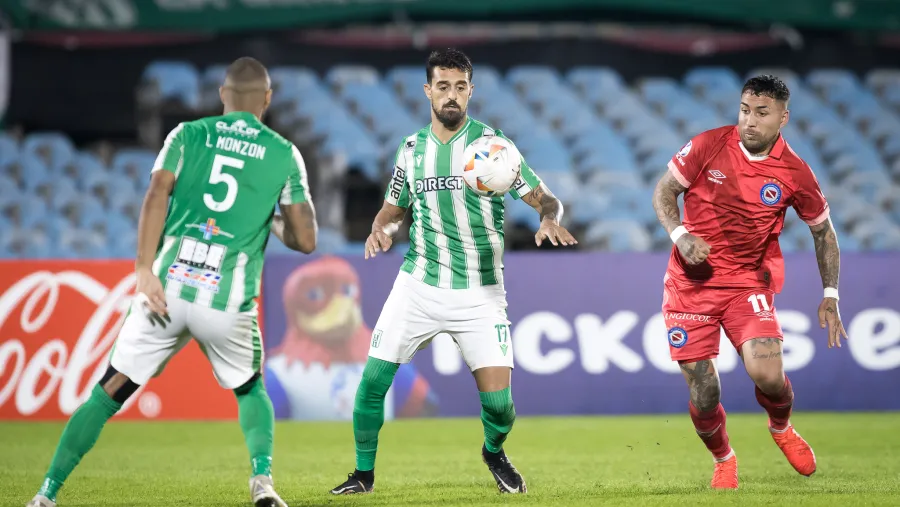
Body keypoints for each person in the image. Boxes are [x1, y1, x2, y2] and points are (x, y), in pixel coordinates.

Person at [27, 56, 317, 507]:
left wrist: (143, 268)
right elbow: (305, 239)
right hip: (225, 300)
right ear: (267, 100)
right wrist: (271, 219)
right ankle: (262, 483)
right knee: (249, 389)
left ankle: (46, 494)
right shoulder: (283, 153)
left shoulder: (186, 135)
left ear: (222, 95)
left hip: (166, 290)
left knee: (110, 391)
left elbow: (156, 192)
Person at [329, 48, 577, 496]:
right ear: (428, 90)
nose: (452, 96)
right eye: (443, 86)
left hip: (481, 293)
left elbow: (546, 198)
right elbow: (391, 209)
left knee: (502, 408)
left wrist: (548, 217)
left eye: (460, 87)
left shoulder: (495, 148)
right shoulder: (411, 149)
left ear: (470, 91)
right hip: (418, 284)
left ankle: (493, 451)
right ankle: (363, 475)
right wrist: (382, 230)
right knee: (371, 383)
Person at [651, 75, 848, 489]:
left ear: (783, 117)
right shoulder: (707, 145)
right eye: (745, 110)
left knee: (769, 376)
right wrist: (680, 235)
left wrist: (830, 294)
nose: (750, 121)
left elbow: (823, 232)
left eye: (762, 113)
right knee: (704, 392)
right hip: (690, 284)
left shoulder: (795, 171)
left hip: (746, 283)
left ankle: (781, 427)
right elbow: (664, 192)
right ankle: (724, 458)